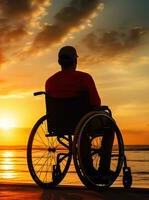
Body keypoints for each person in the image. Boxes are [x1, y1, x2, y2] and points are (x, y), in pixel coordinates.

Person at [45, 46, 114, 180]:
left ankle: (89, 167)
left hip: (58, 124)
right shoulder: (84, 78)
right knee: (110, 126)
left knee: (82, 126)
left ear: (59, 62)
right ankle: (103, 168)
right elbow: (96, 103)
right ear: (75, 61)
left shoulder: (50, 82)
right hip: (83, 123)